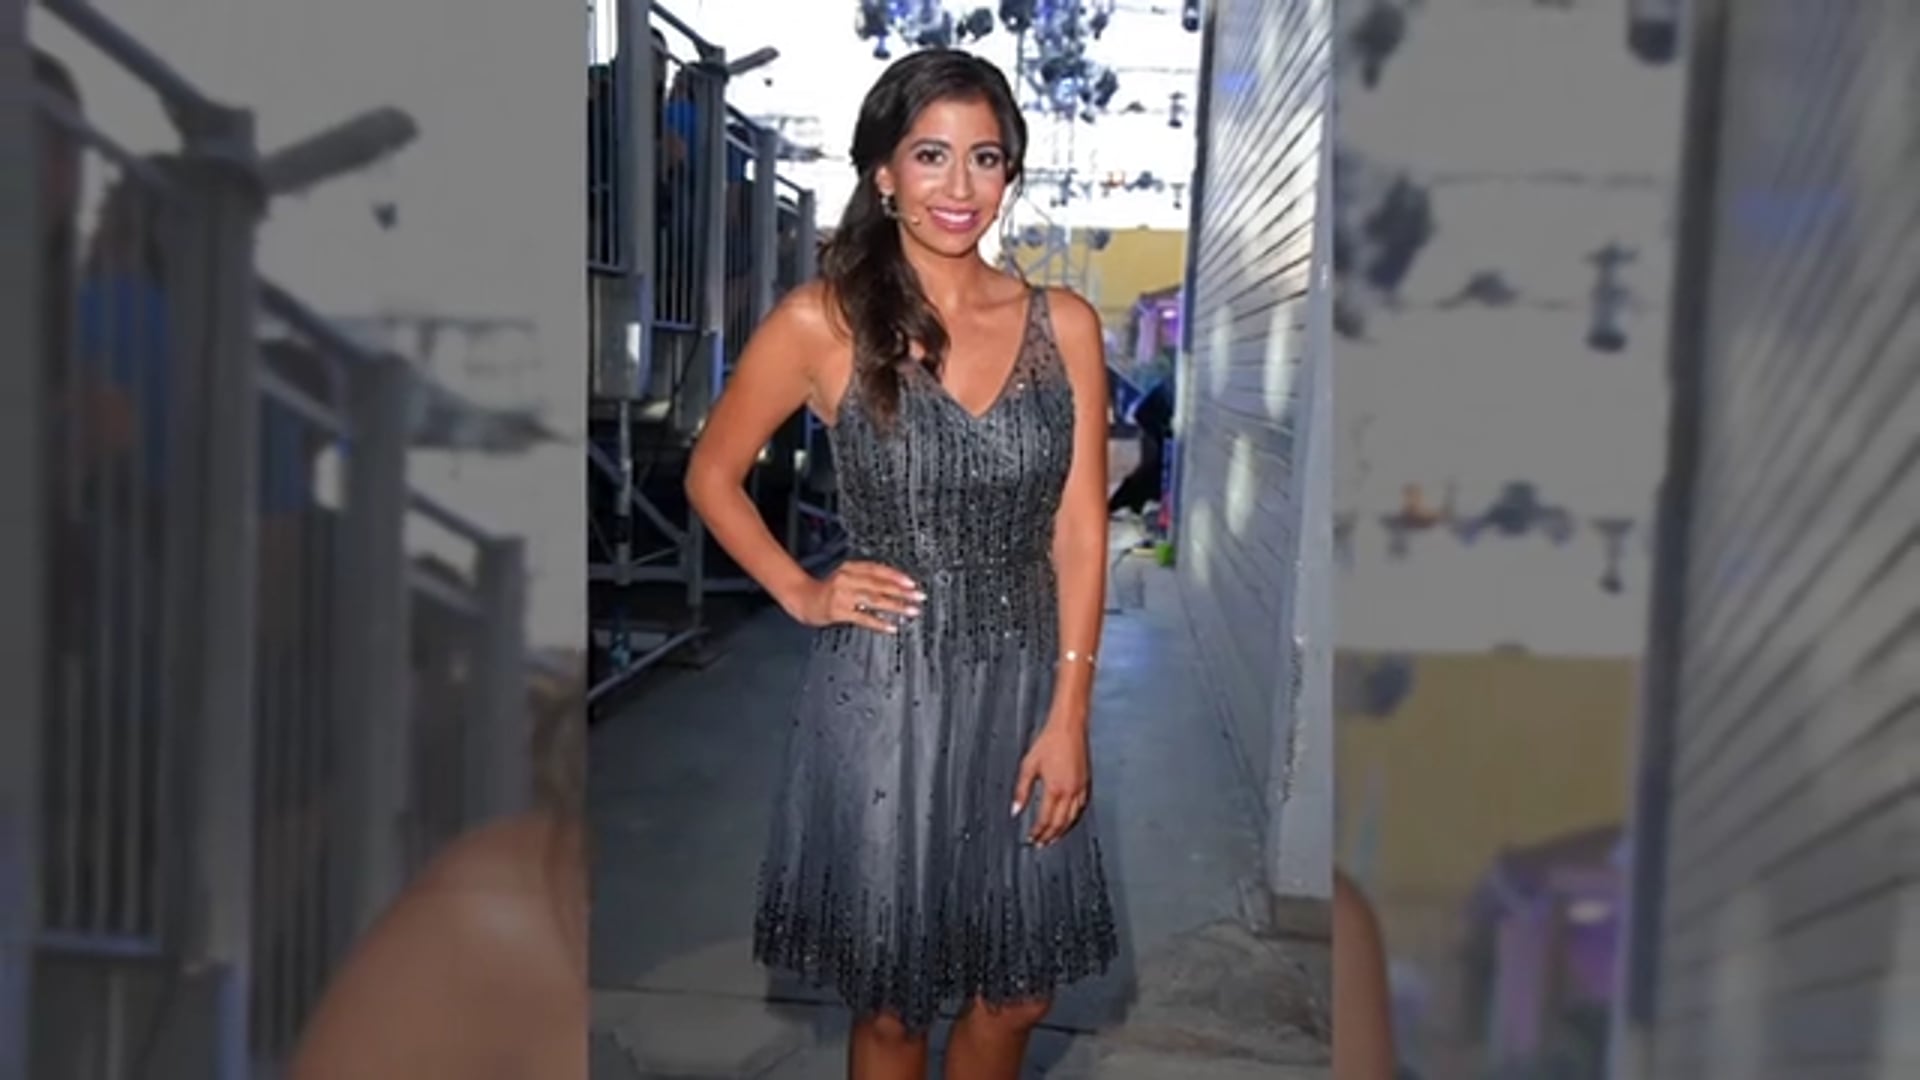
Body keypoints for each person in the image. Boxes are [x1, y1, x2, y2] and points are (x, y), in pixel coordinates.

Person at [683, 49, 1119, 1080]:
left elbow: (1080, 530)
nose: (959, 186)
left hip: (1023, 681)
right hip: (885, 690)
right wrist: (802, 589)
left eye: (985, 158)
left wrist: (1070, 712)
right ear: (884, 171)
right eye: (931, 155)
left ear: (1010, 173)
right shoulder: (821, 321)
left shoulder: (1064, 325)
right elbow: (712, 473)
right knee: (892, 1002)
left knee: (1018, 990)